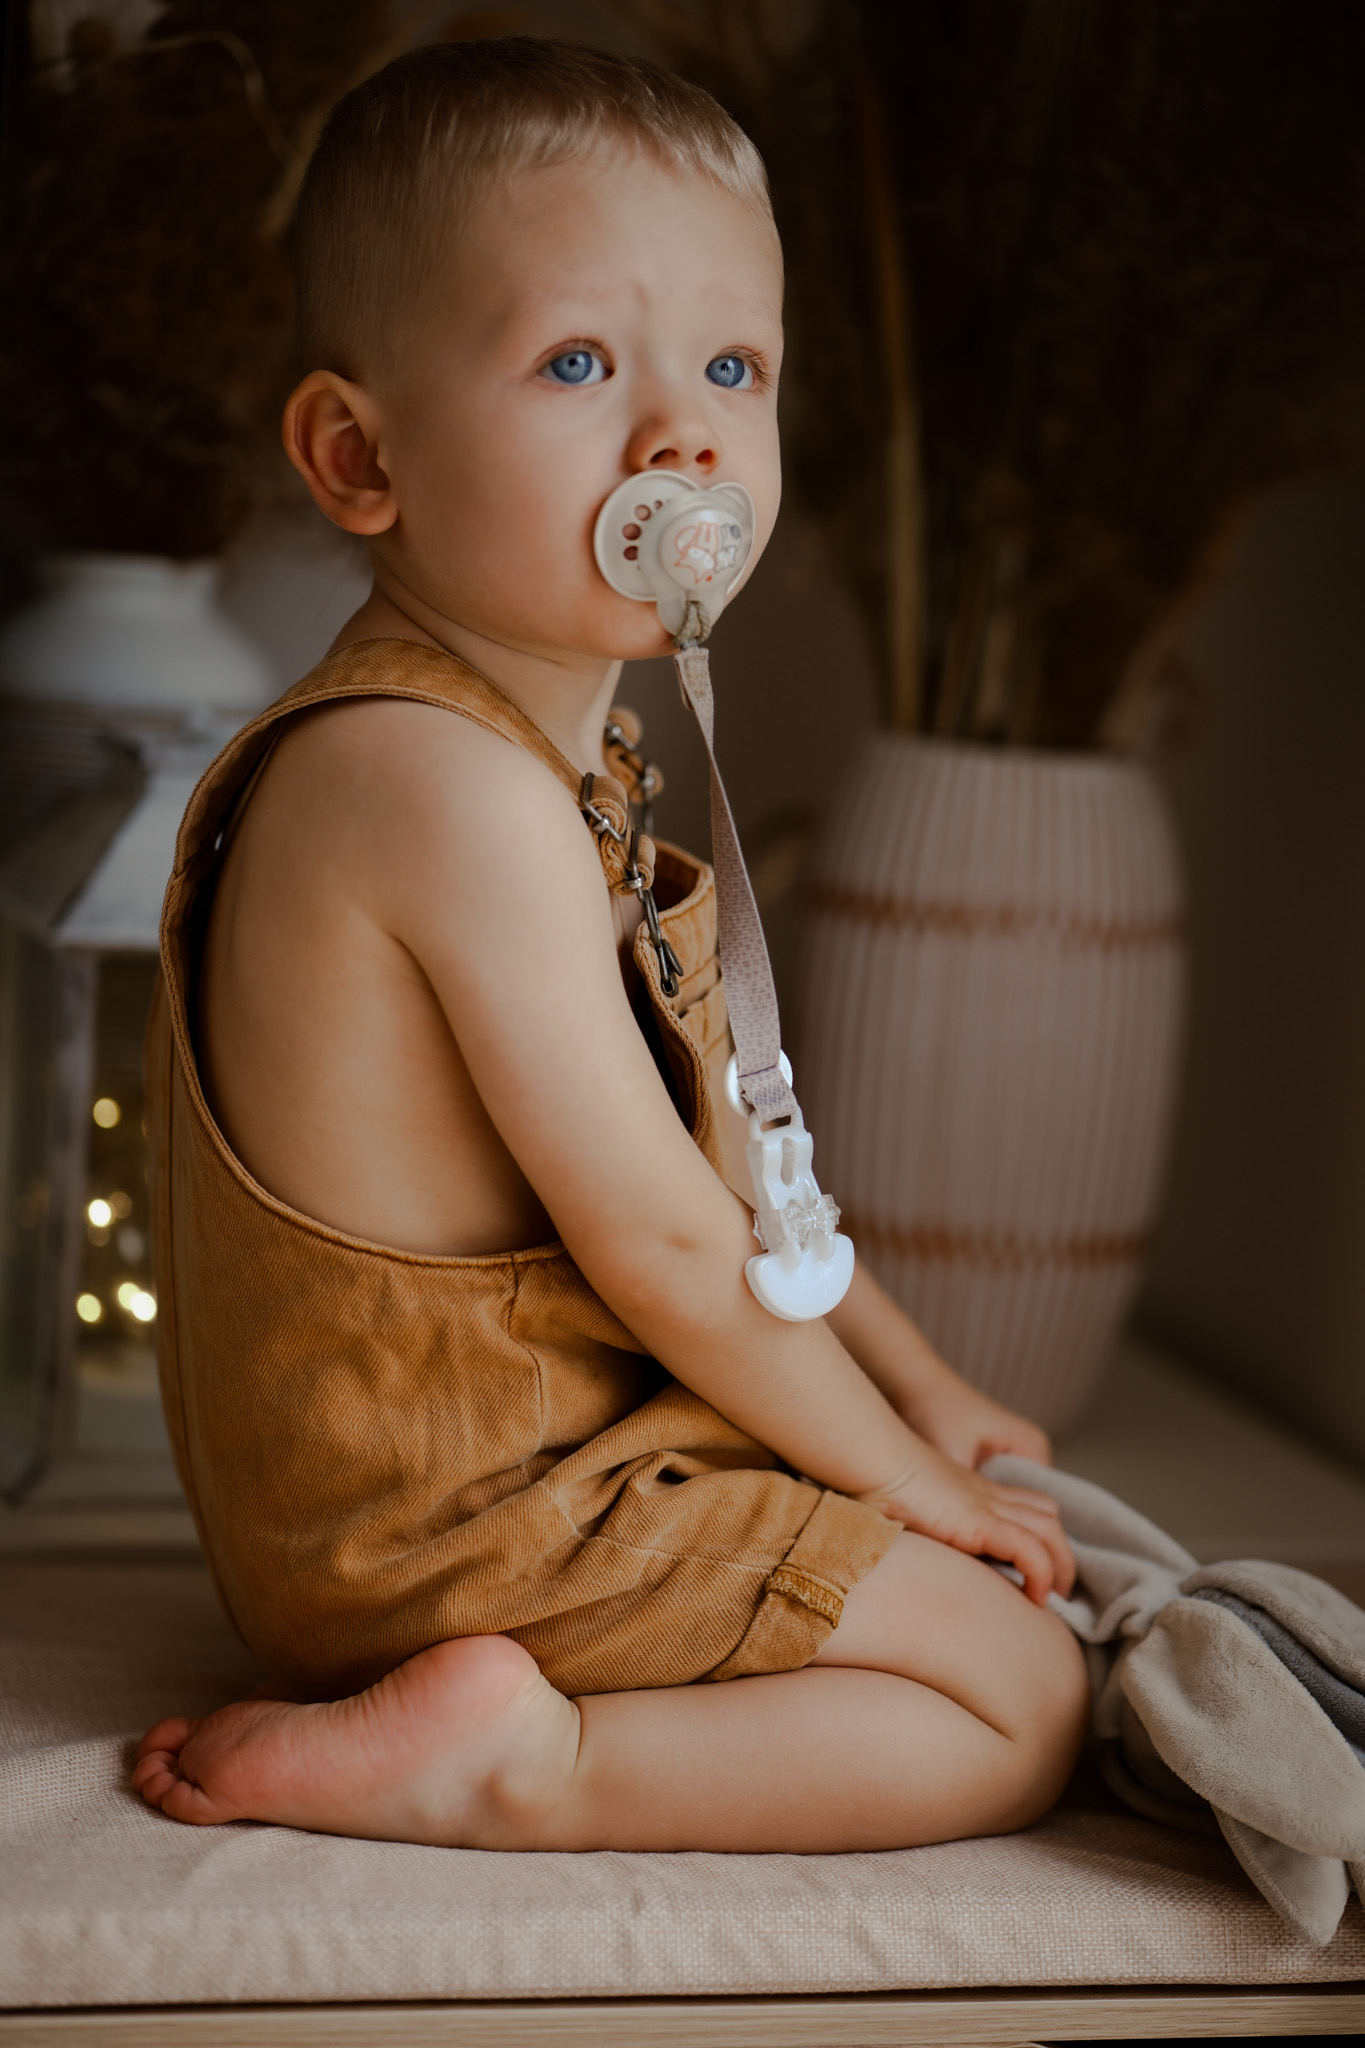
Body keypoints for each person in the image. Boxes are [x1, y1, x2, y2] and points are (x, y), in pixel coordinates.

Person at [134, 38, 1089, 1852]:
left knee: (996, 1601)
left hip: (542, 1460)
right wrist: (897, 1480)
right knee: (1018, 1700)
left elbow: (740, 1170)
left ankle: (536, 1704)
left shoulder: (556, 770)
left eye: (733, 366)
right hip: (440, 1531)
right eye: (577, 363)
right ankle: (519, 1768)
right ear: (359, 455)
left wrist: (921, 1391)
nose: (683, 436)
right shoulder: (431, 783)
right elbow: (661, 1246)